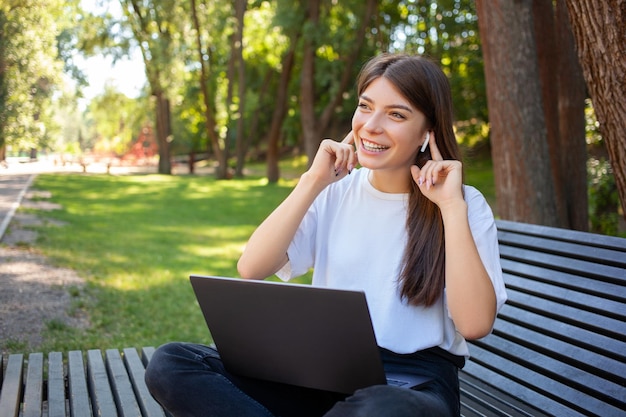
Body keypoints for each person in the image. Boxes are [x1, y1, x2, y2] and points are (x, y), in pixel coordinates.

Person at [144, 53, 507, 417]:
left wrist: (451, 208)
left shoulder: (463, 205)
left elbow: (474, 324)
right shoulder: (335, 190)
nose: (372, 126)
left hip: (413, 386)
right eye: (365, 107)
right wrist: (313, 180)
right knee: (171, 363)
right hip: (323, 374)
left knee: (379, 408)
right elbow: (252, 267)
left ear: (427, 133)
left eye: (396, 114)